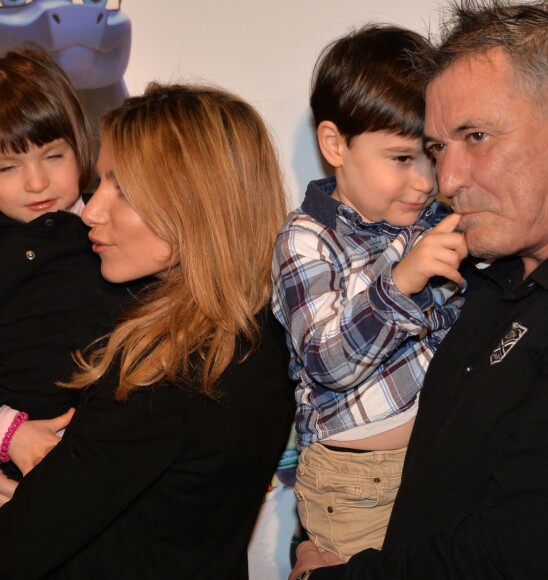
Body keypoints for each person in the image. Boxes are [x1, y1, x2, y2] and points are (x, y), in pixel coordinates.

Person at [290, 0, 548, 578]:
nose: (446, 180)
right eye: (439, 147)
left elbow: (517, 553)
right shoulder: (481, 270)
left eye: (477, 135)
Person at [0, 83, 295, 579]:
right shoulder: (259, 336)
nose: (91, 210)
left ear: (194, 203)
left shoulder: (167, 376)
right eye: (101, 181)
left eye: (123, 189)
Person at [272, 24, 467, 562]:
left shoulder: (437, 221)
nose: (425, 180)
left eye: (432, 154)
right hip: (354, 484)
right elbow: (327, 361)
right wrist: (402, 280)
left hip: (439, 457)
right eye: (402, 159)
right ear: (335, 144)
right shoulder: (307, 238)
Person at [0, 46, 140, 487]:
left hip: (119, 458)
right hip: (22, 472)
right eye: (7, 166)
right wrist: (10, 434)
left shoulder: (112, 226)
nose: (37, 182)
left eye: (53, 156)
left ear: (81, 145)